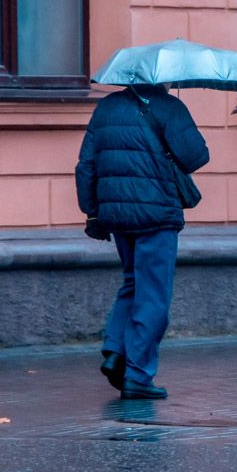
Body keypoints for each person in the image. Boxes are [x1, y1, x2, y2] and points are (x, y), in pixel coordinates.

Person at [75, 83, 209, 400]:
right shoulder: (168, 107)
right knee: (154, 295)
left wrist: (92, 212)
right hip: (156, 214)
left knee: (132, 282)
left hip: (116, 212)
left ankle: (115, 349)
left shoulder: (106, 107)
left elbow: (86, 165)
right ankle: (138, 374)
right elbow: (196, 157)